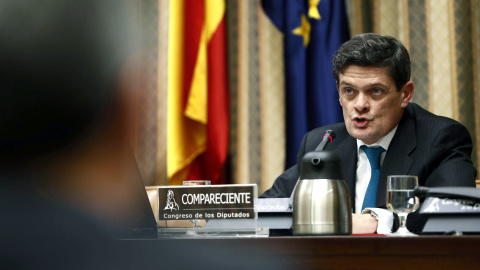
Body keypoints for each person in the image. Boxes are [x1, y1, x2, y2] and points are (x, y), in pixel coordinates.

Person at [261, 33, 477, 234]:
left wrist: (376, 220)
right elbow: (270, 209)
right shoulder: (322, 143)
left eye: (375, 91)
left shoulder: (440, 138)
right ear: (338, 93)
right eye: (349, 91)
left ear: (405, 94)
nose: (360, 105)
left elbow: (457, 210)